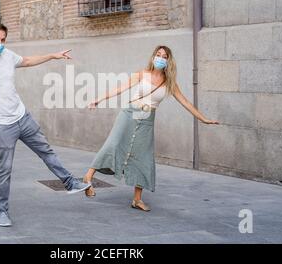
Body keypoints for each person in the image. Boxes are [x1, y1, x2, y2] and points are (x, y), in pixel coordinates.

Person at [0, 22, 90, 227]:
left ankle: (69, 182)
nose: (0, 43)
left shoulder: (7, 56)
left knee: (46, 151)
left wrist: (52, 55)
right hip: (1, 126)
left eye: (3, 40)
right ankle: (1, 212)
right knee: (4, 170)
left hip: (23, 118)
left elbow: (28, 61)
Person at [83, 45, 219, 211]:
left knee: (143, 156)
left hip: (147, 120)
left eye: (164, 56)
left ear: (168, 61)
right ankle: (88, 178)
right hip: (130, 114)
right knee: (114, 143)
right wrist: (99, 99)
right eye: (158, 54)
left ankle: (137, 199)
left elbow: (186, 103)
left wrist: (203, 118)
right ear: (153, 56)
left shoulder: (170, 83)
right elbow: (120, 89)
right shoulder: (142, 74)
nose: (160, 58)